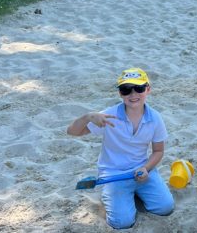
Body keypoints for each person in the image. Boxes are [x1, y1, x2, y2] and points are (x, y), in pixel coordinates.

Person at [67, 68, 174, 229]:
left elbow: (158, 151)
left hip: (141, 171)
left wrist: (146, 168)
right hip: (113, 174)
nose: (133, 94)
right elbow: (72, 132)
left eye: (139, 88)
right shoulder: (109, 116)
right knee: (122, 222)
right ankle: (116, 196)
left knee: (165, 208)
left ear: (148, 89)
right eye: (126, 89)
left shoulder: (155, 118)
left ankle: (130, 196)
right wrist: (88, 116)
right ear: (120, 93)